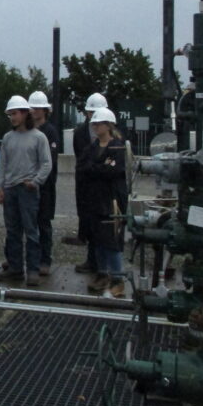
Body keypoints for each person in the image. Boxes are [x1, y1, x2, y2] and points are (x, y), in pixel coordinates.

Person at [0, 95, 52, 286]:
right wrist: (0, 187)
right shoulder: (7, 138)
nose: (12, 117)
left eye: (15, 113)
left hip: (27, 190)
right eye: (10, 114)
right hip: (10, 189)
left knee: (31, 230)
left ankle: (33, 270)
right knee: (12, 231)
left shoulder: (39, 137)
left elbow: (46, 163)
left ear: (25, 113)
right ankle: (16, 268)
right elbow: (2, 164)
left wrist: (35, 182)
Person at [76, 107, 128, 297]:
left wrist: (96, 169)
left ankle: (118, 279)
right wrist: (101, 167)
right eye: (94, 124)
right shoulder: (91, 148)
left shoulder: (117, 147)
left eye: (99, 124)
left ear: (108, 125)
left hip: (111, 201)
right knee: (97, 239)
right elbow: (83, 168)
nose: (96, 127)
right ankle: (102, 273)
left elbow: (114, 171)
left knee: (111, 240)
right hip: (94, 200)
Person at [73, 92, 108, 276]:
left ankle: (104, 264)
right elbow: (81, 159)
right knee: (89, 222)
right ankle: (92, 260)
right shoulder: (80, 133)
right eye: (91, 113)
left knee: (105, 225)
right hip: (86, 186)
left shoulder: (113, 137)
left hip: (105, 188)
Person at [28, 91, 60, 276]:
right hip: (28, 184)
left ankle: (45, 259)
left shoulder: (50, 131)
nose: (34, 111)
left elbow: (50, 160)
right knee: (27, 222)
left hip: (45, 185)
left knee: (44, 223)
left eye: (38, 108)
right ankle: (29, 258)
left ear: (45, 110)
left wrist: (38, 177)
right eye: (32, 108)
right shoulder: (26, 130)